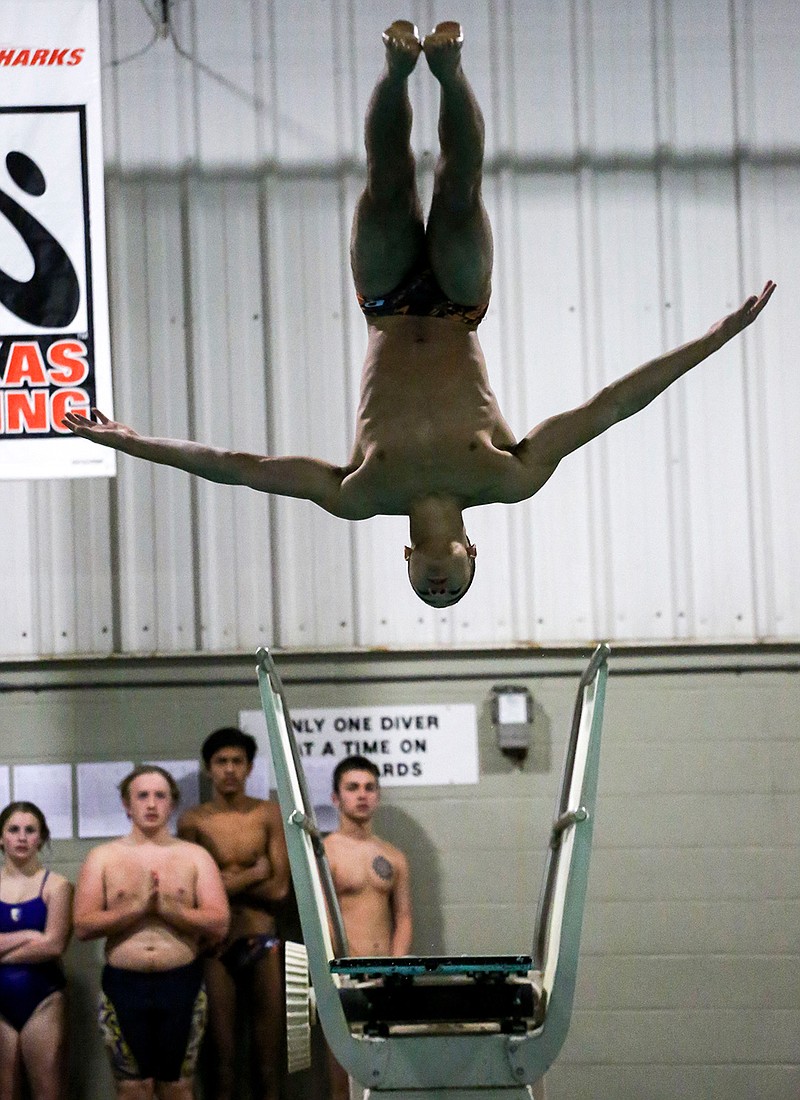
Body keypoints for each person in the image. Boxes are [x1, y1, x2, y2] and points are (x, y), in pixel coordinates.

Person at [62, 21, 776, 608]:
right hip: (460, 305)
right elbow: (615, 404)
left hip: (386, 305)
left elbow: (240, 469)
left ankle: (397, 69)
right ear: (470, 556)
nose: (438, 585)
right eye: (452, 589)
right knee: (458, 190)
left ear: (406, 558)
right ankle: (450, 70)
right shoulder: (509, 479)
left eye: (424, 590)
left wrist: (135, 443)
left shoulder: (359, 493)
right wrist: (714, 339)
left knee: (386, 178)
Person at [73, 766, 229, 1100]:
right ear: (126, 804)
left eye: (160, 795)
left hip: (181, 983)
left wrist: (171, 911)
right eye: (142, 795)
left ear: (172, 804)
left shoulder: (194, 857)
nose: (151, 804)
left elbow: (219, 921)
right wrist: (136, 909)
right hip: (124, 985)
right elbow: (83, 925)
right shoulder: (103, 857)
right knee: (132, 1089)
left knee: (177, 1087)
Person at [177, 727, 290, 1100]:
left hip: (262, 938)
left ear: (250, 767)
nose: (229, 769)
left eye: (237, 761)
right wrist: (254, 873)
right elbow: (192, 898)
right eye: (221, 761)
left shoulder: (268, 814)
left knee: (268, 1058)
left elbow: (279, 890)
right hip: (215, 943)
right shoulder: (193, 822)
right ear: (209, 768)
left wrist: (228, 881)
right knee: (221, 1059)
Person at [323, 755, 412, 1100]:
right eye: (352, 788)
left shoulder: (393, 856)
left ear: (378, 795)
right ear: (336, 798)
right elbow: (321, 918)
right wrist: (339, 968)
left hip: (385, 975)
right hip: (342, 976)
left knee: (386, 1069)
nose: (362, 795)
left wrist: (396, 966)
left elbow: (403, 916)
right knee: (342, 1071)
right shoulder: (323, 852)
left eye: (369, 787)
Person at [0, 802, 72, 1100]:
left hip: (43, 998)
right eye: (13, 830)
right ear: (0, 837)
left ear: (41, 838)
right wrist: (29, 934)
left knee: (48, 1092)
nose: (21, 837)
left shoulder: (57, 886)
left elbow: (53, 945)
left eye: (30, 830)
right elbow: (42, 941)